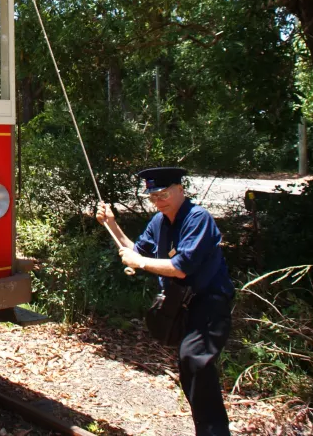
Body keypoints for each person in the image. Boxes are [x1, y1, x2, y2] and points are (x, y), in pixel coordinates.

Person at [97, 167, 234, 436]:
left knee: (195, 361)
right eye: (153, 197)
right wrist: (111, 224)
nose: (159, 201)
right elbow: (136, 252)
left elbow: (181, 268)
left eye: (163, 194)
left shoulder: (198, 218)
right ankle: (208, 429)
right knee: (190, 367)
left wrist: (141, 263)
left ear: (180, 190)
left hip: (209, 302)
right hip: (180, 304)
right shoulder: (159, 222)